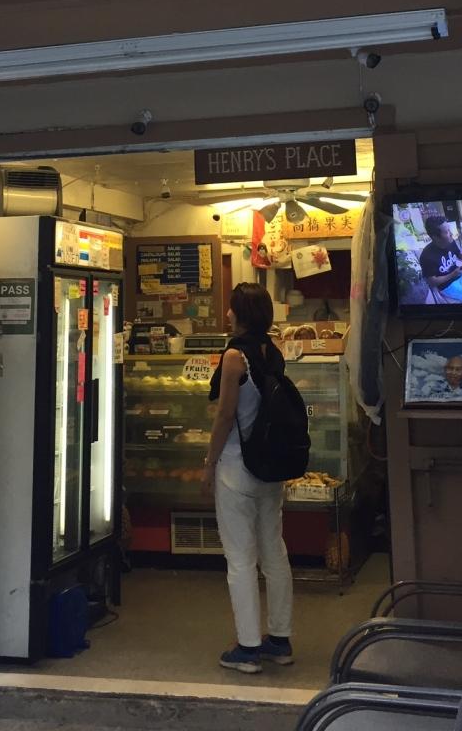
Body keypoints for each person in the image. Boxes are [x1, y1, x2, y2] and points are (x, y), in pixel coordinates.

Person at [202, 283, 293, 674]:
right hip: (271, 469)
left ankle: (248, 647)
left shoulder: (234, 357)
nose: (227, 314)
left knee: (240, 558)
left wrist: (209, 462)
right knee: (274, 551)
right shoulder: (273, 351)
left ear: (241, 314)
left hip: (237, 469)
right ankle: (280, 640)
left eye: (231, 308)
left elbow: (225, 415)